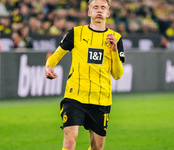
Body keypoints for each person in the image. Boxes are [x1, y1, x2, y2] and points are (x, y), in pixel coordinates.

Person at [45, 0, 125, 150]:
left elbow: (118, 74)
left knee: (97, 147)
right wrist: (48, 66)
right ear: (89, 12)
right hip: (75, 95)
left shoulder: (116, 38)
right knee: (70, 138)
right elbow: (57, 54)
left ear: (108, 13)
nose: (99, 10)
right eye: (95, 7)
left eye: (103, 8)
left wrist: (114, 51)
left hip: (101, 99)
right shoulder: (76, 33)